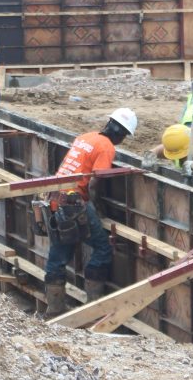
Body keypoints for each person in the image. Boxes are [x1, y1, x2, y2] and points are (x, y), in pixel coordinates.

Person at [42, 107, 138, 317]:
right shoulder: (106, 147)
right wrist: (97, 209)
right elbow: (94, 183)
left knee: (58, 256)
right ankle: (93, 309)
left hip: (55, 200)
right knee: (103, 249)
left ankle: (54, 309)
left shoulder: (86, 137)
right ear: (121, 134)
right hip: (74, 203)